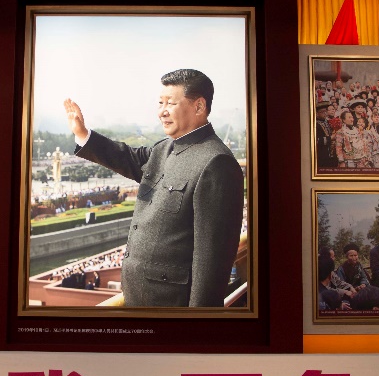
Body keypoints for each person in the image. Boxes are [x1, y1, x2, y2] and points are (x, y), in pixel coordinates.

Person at [64, 68, 244, 307]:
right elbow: (126, 157)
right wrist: (83, 134)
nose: (162, 111)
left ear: (199, 106)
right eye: (160, 102)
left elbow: (212, 260)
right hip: (139, 301)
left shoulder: (216, 162)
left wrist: (199, 321)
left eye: (170, 103)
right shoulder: (164, 148)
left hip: (172, 308)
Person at [314, 101, 337, 169]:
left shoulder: (327, 122)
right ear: (317, 113)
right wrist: (330, 138)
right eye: (322, 112)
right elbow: (315, 141)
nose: (325, 114)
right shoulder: (315, 125)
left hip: (331, 154)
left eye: (326, 111)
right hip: (321, 155)